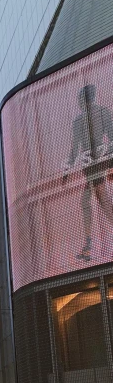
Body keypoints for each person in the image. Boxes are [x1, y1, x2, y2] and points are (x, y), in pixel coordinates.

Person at [63, 84, 113, 262]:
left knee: (98, 199)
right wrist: (67, 168)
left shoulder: (100, 113)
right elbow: (75, 148)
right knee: (97, 199)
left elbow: (112, 137)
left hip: (97, 162)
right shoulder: (80, 120)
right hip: (90, 165)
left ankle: (88, 245)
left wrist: (107, 157)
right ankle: (88, 244)